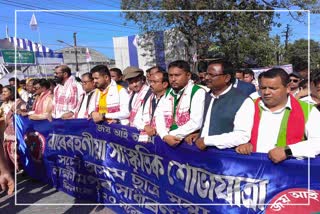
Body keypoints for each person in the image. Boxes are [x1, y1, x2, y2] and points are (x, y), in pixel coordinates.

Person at [235, 68, 320, 163]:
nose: (266, 92)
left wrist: (288, 151)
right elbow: (240, 134)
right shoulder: (250, 104)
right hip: (254, 171)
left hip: (287, 174)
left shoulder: (308, 110)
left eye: (272, 88)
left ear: (288, 88)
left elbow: (317, 142)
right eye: (263, 88)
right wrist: (244, 145)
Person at [193, 59, 254, 150]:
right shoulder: (204, 96)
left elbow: (242, 135)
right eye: (206, 74)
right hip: (201, 157)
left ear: (227, 78)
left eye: (212, 75)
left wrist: (207, 141)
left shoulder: (243, 101)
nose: (206, 78)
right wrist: (198, 134)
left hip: (224, 158)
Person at [155, 60, 205, 146]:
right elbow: (159, 116)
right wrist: (164, 135)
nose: (173, 79)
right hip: (167, 139)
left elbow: (196, 122)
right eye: (170, 76)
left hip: (185, 142)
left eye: (177, 75)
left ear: (188, 75)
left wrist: (171, 135)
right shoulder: (168, 93)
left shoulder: (197, 92)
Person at [133, 71, 169, 141]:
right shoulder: (149, 99)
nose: (151, 85)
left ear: (165, 84)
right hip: (148, 142)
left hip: (165, 141)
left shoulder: (170, 99)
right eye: (150, 82)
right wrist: (145, 126)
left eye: (154, 82)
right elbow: (136, 120)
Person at [1, 85, 26, 171]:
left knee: (15, 149)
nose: (3, 93)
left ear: (12, 93)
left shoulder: (19, 102)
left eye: (5, 91)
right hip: (6, 130)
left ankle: (21, 167)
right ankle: (11, 169)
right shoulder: (4, 104)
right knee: (7, 149)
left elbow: (23, 114)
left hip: (16, 130)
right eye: (2, 91)